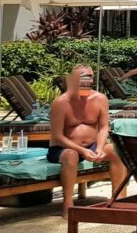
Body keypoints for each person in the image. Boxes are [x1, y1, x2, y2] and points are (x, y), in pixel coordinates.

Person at [49, 65, 127, 213]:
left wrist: (99, 148)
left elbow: (104, 128)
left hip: (91, 145)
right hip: (63, 148)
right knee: (71, 156)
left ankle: (119, 199)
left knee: (116, 150)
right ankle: (68, 204)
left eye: (89, 77)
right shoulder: (61, 102)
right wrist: (82, 150)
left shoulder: (100, 99)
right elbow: (57, 136)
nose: (86, 81)